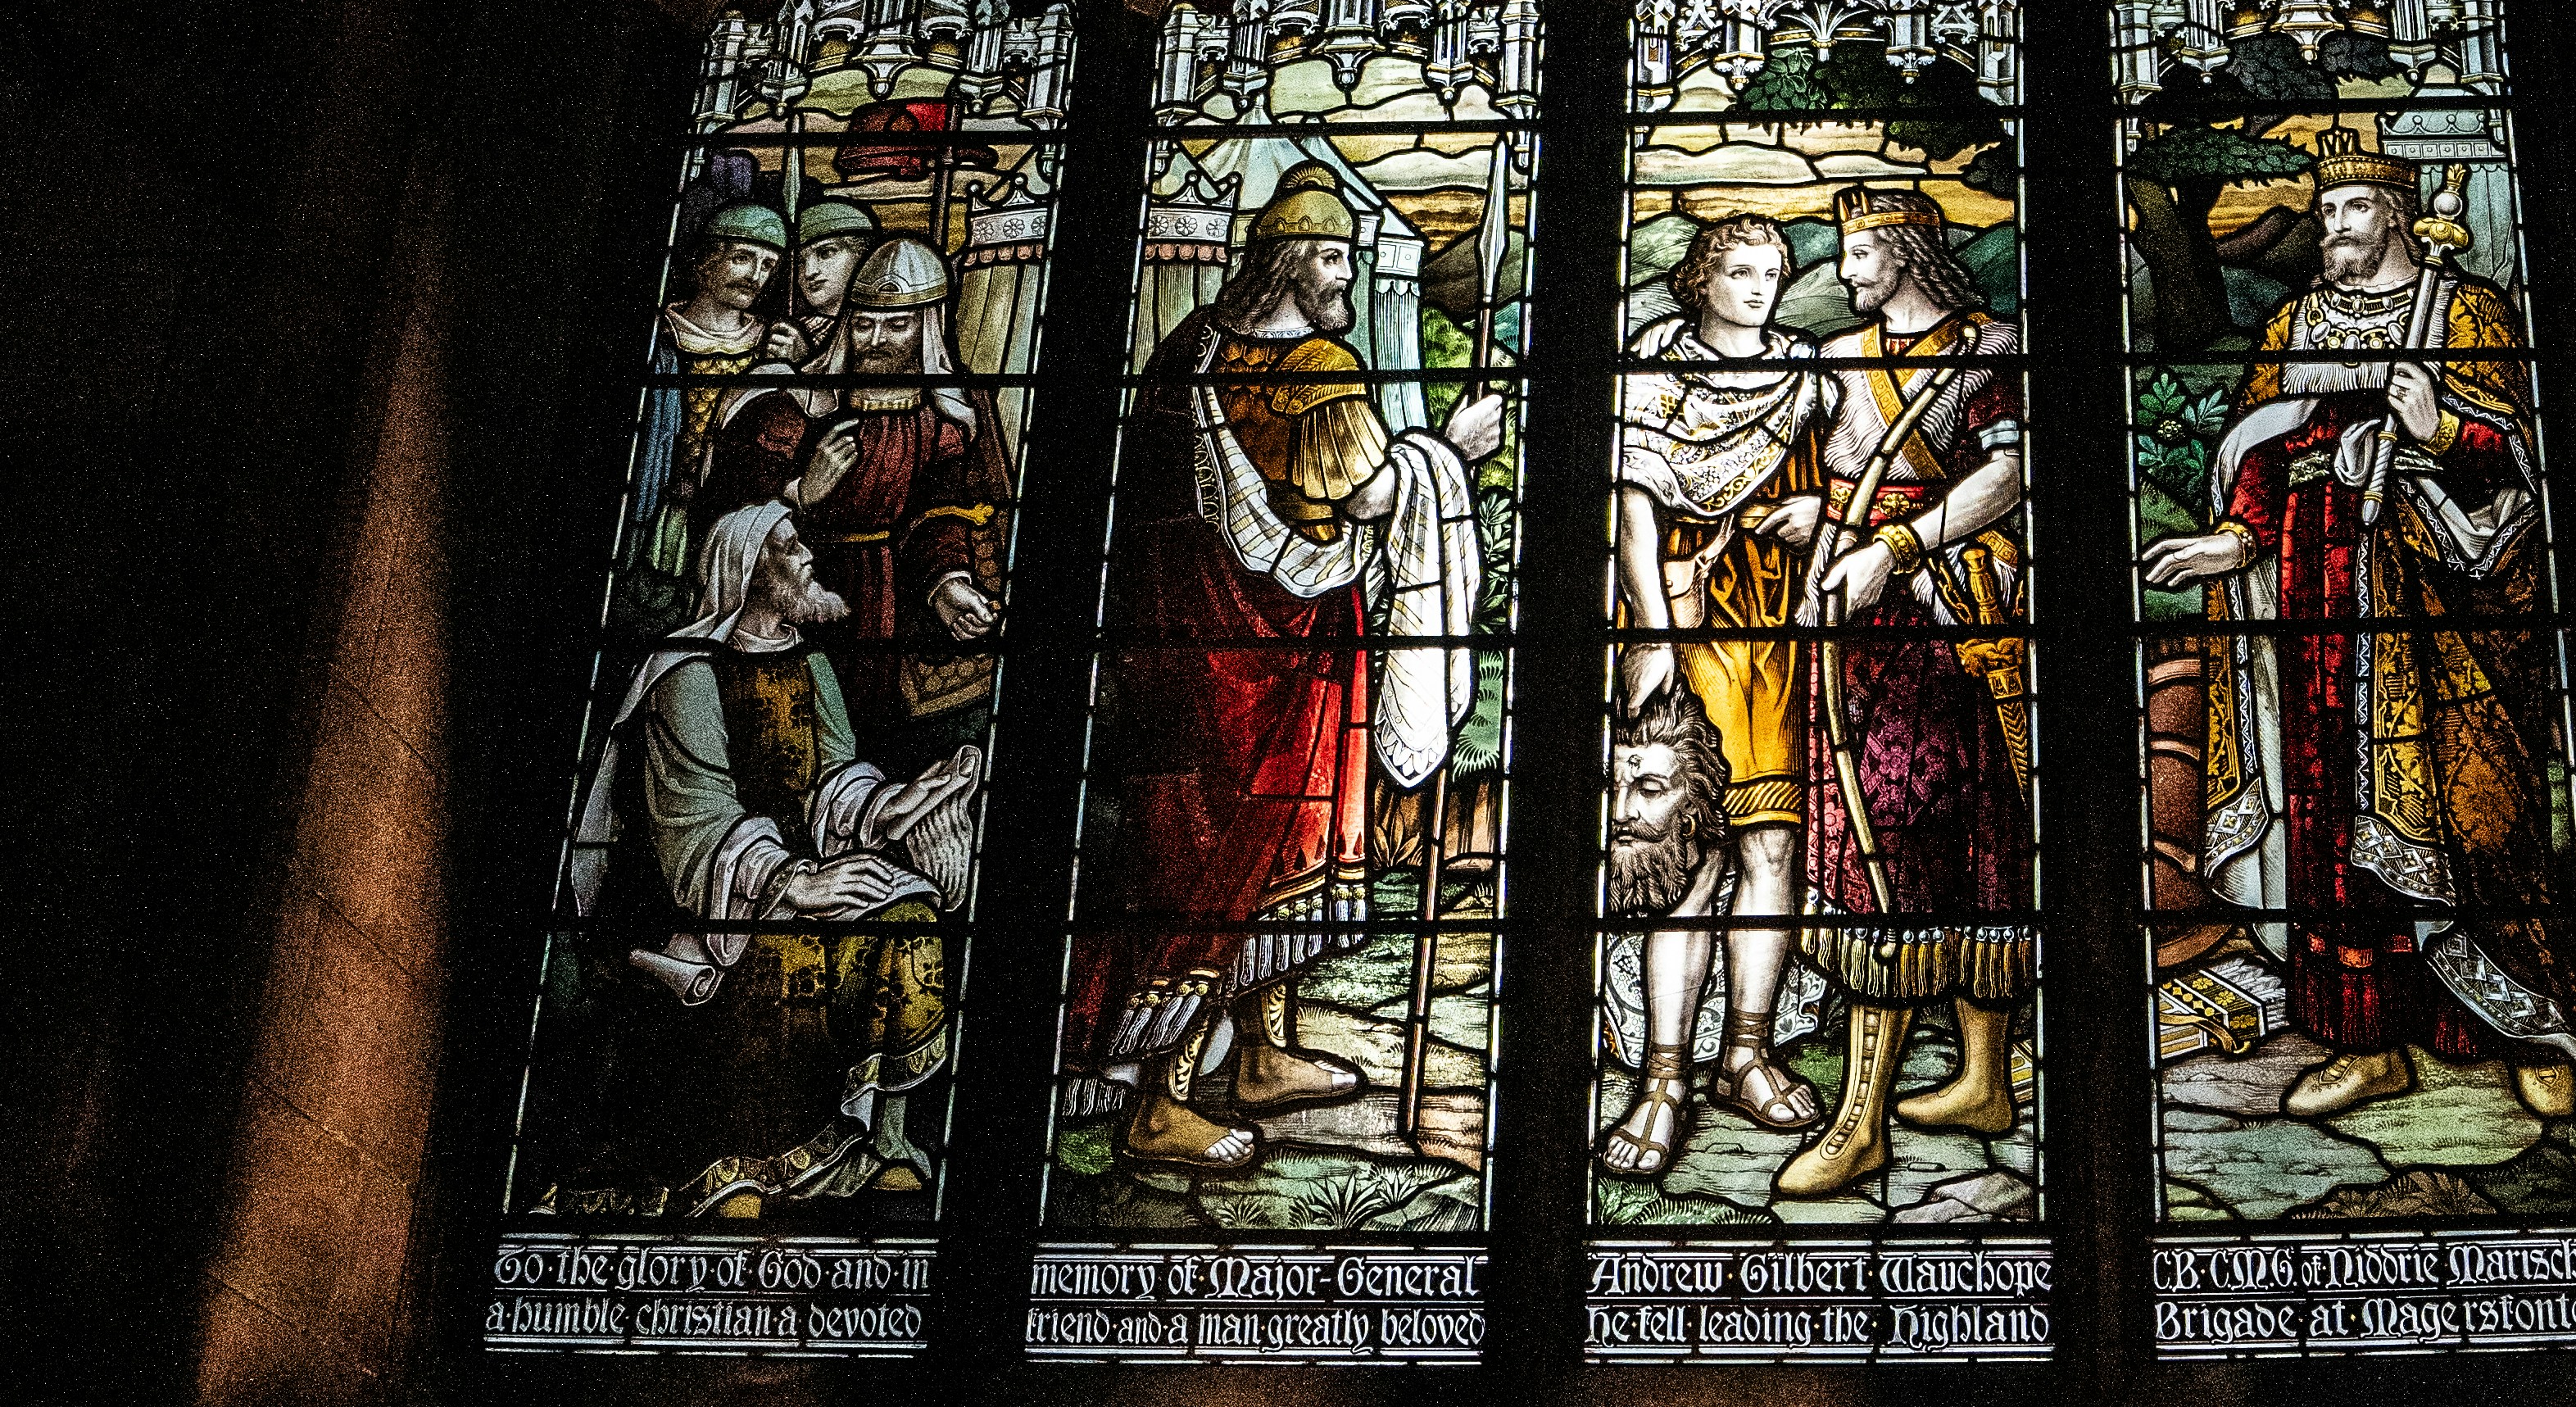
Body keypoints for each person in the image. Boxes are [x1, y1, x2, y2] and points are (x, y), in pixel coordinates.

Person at [1068, 167, 1503, 1182]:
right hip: (1265, 652)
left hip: (1192, 641)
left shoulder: (1187, 355)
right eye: (1333, 256)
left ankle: (1260, 1053)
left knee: (1265, 847)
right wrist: (1451, 450)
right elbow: (1359, 501)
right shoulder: (1315, 365)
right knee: (1225, 857)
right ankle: (1158, 1104)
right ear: (1289, 261)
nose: (1344, 274)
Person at [2139, 142, 2576, 1121]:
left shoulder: (2463, 312)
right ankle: (2365, 1035)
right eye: (2327, 208)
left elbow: (2520, 452)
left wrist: (2437, 432)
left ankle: (2526, 1027)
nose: (2332, 225)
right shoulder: (2296, 323)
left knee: (2484, 813)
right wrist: (2228, 540)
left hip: (2435, 603)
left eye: (2350, 207)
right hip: (2309, 594)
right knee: (2330, 825)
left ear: (2396, 214)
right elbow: (2260, 449)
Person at [554, 502, 979, 1224]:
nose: (807, 556)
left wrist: (894, 806)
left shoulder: (811, 662)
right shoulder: (685, 672)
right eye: (787, 548)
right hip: (706, 889)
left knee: (907, 918)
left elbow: (832, 782)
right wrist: (796, 883)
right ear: (748, 571)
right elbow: (693, 820)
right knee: (787, 946)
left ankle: (871, 1141)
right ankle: (729, 1165)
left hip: (797, 863)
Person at [1770, 183, 2035, 1206]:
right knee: (1873, 847)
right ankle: (1880, 1108)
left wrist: (1898, 544)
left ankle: (1948, 1094)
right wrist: (1824, 524)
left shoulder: (1993, 351)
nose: (1842, 275)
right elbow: (1842, 481)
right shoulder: (1840, 362)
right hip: (1855, 624)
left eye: (1858, 256)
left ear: (1907, 254)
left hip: (1951, 622)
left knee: (1959, 836)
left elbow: (2008, 481)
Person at [1603, 213, 1830, 1180]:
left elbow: (1845, 482)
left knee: (1770, 846)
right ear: (1700, 280)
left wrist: (1819, 510)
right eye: (1739, 271)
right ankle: (1662, 1079)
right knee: (1688, 865)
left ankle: (1746, 1050)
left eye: (1773, 271)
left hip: (1777, 630)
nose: (1760, 287)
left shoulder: (1808, 376)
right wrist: (1654, 633)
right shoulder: (1653, 374)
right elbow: (1634, 515)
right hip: (1683, 631)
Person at [709, 230, 1013, 772]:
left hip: (882, 598)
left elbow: (936, 515)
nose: (876, 338)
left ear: (927, 329)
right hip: (795, 589)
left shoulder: (936, 422)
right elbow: (726, 507)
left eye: (897, 324)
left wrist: (948, 584)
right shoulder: (793, 407)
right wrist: (800, 492)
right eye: (866, 321)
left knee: (866, 735)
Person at [628, 201, 782, 603]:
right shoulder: (661, 337)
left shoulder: (771, 345)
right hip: (654, 500)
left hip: (732, 516)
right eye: (743, 258)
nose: (755, 276)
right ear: (704, 262)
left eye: (768, 265)